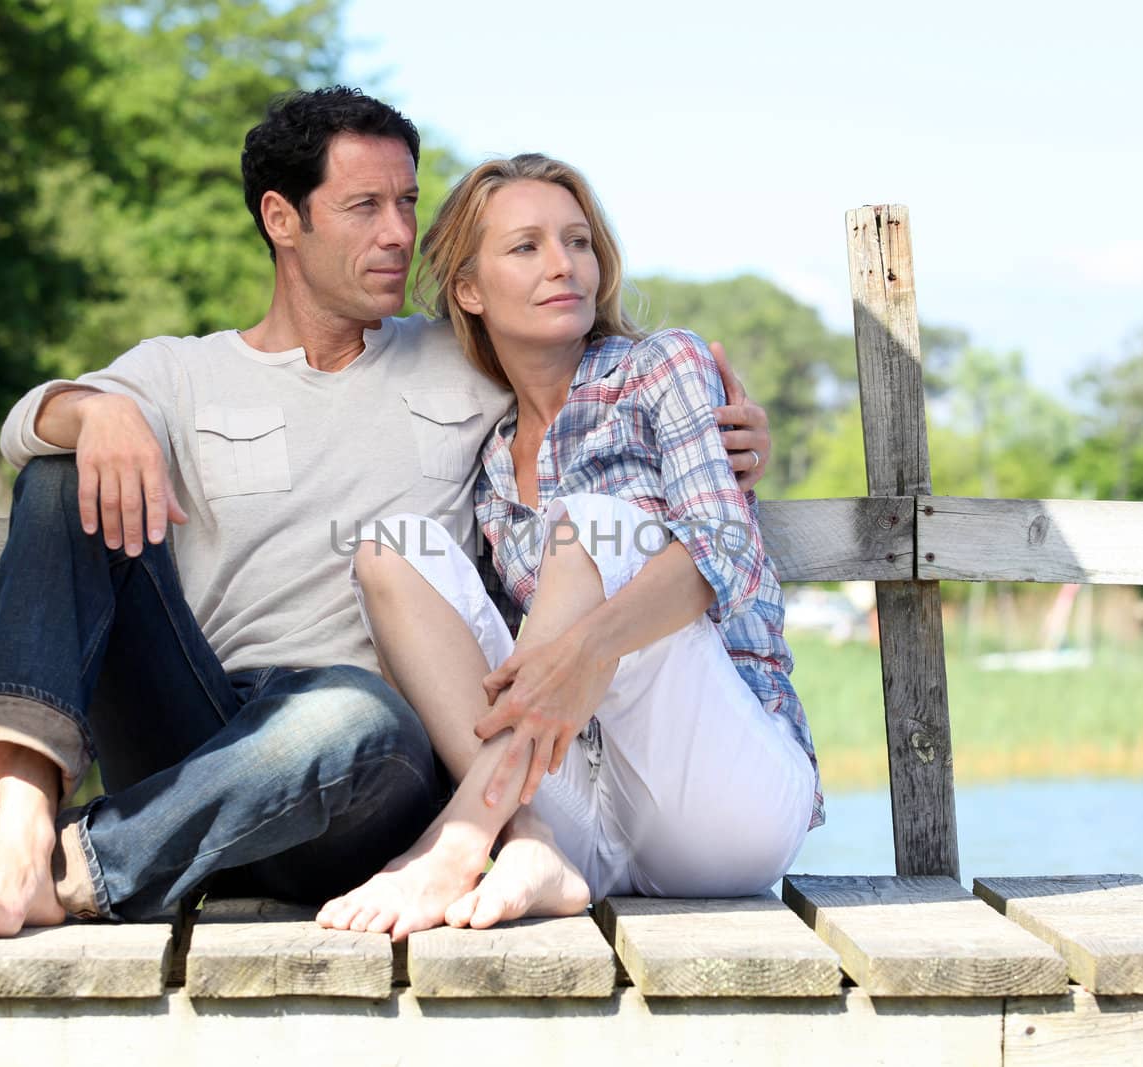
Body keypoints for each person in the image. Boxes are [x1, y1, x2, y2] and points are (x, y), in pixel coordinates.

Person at [0, 89, 775, 939]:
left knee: (351, 715)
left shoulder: (463, 360)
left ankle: (66, 874)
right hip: (202, 736)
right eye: (364, 207)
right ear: (281, 219)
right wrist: (98, 411)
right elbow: (25, 423)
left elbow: (585, 397)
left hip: (373, 761)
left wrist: (727, 431)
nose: (398, 234)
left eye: (409, 204)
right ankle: (19, 833)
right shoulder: (181, 372)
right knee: (60, 478)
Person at [315, 155, 821, 941]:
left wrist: (585, 649)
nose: (564, 265)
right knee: (391, 544)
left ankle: (459, 841)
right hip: (583, 809)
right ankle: (528, 844)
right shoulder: (488, 465)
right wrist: (558, 662)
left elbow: (722, 549)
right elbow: (463, 654)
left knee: (590, 520)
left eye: (578, 242)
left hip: (724, 800)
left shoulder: (665, 366)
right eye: (527, 247)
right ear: (470, 291)